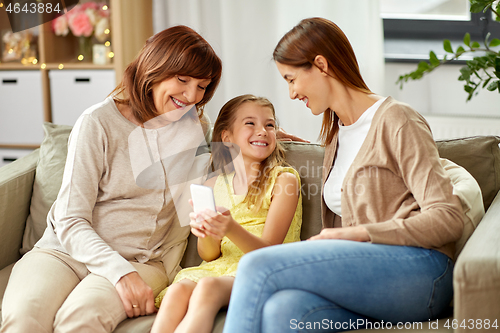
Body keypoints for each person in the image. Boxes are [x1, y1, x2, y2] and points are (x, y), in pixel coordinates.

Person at [222, 17, 466, 333]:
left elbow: (448, 217)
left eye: (292, 78)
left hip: (420, 272)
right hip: (370, 277)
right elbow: (361, 182)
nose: (292, 93)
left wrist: (360, 234)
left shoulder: (398, 120)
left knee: (256, 264)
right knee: (282, 311)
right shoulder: (337, 134)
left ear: (321, 65)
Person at [1, 25, 222, 333]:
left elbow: (205, 185)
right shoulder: (98, 123)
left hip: (140, 260)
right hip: (62, 251)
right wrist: (119, 274)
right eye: (182, 79)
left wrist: (259, 137)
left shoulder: (193, 125)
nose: (191, 95)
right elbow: (70, 219)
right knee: (23, 319)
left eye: (202, 86)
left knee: (78, 321)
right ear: (153, 68)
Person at [150, 94, 303, 333]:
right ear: (227, 137)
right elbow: (209, 256)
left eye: (270, 125)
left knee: (207, 288)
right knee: (179, 290)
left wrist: (230, 228)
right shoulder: (213, 183)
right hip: (220, 269)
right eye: (250, 123)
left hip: (264, 269)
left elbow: (270, 252)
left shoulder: (283, 180)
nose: (262, 130)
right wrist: (207, 234)